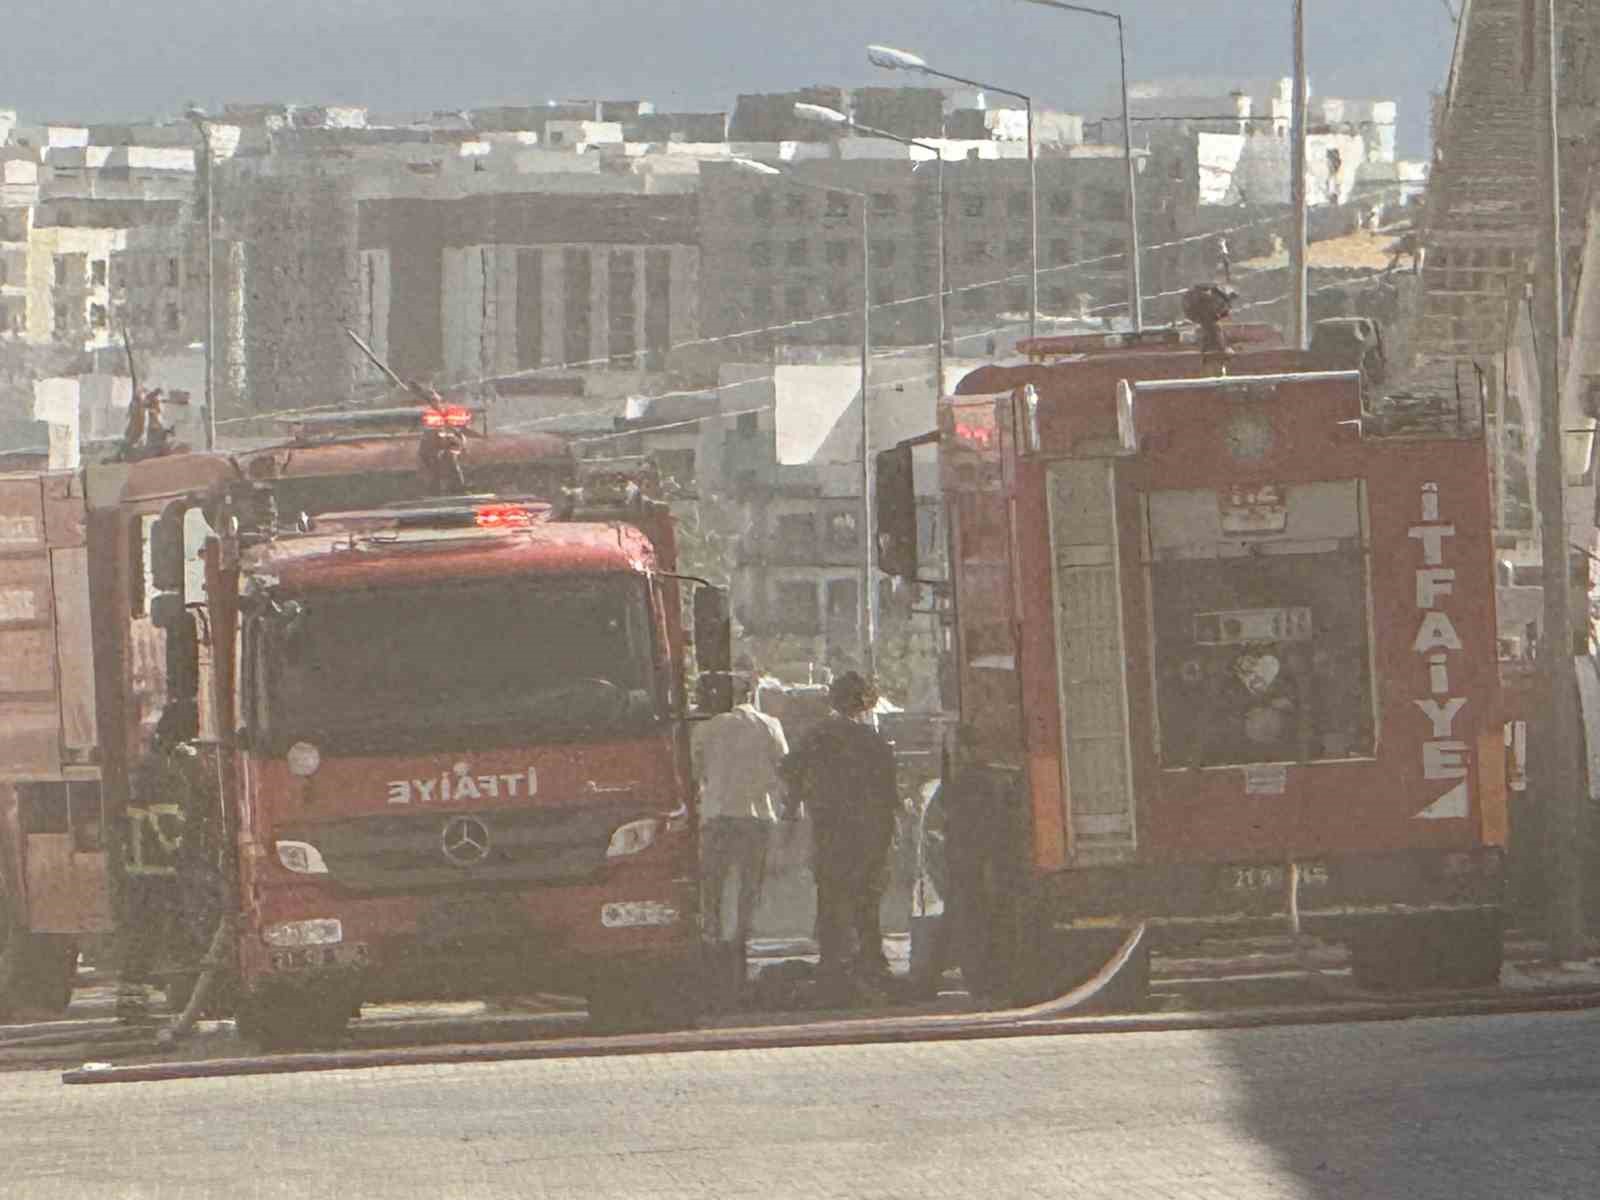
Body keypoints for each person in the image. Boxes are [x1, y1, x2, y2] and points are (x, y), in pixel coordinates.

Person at [780, 672, 900, 1003]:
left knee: (833, 896)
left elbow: (790, 770)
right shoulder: (873, 740)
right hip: (869, 831)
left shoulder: (817, 736)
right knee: (867, 899)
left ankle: (834, 965)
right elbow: (889, 789)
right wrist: (891, 829)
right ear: (865, 703)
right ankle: (871, 964)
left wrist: (795, 804)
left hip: (831, 829)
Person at [690, 672, 788, 1009]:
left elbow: (696, 774)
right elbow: (783, 769)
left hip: (717, 818)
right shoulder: (770, 726)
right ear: (751, 694)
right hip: (756, 819)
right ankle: (740, 951)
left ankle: (714, 955)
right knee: (748, 890)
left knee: (712, 890)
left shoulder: (706, 729)